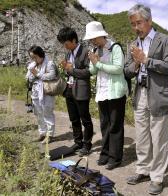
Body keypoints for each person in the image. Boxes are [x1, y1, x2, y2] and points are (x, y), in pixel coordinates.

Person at [124, 4, 168, 195]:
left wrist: (146, 60)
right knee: (142, 136)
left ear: (149, 21)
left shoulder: (165, 40)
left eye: (139, 22)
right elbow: (126, 71)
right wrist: (136, 64)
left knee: (159, 138)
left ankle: (157, 177)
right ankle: (143, 170)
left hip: (158, 95)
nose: (136, 27)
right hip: (140, 94)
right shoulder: (134, 44)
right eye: (132, 24)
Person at [83, 21, 128, 170]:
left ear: (101, 35)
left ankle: (115, 158)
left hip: (115, 92)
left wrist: (98, 63)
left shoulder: (115, 48)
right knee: (104, 125)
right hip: (102, 92)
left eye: (94, 38)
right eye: (91, 39)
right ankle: (105, 154)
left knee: (115, 125)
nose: (92, 41)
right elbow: (93, 71)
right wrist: (93, 62)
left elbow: (118, 68)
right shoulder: (97, 50)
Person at [57, 27, 94, 156]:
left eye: (66, 43)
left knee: (85, 119)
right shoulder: (68, 53)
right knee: (74, 118)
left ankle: (87, 144)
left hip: (81, 90)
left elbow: (88, 72)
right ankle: (78, 142)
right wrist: (66, 69)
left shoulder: (85, 52)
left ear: (74, 40)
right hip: (69, 89)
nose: (65, 46)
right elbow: (69, 70)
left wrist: (71, 70)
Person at [26, 45, 57, 144]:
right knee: (39, 114)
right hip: (36, 92)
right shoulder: (33, 65)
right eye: (32, 57)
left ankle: (49, 135)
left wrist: (37, 74)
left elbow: (51, 76)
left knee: (47, 113)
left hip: (47, 92)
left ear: (40, 55)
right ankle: (42, 133)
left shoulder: (50, 63)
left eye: (35, 57)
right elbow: (29, 79)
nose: (33, 59)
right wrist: (32, 74)